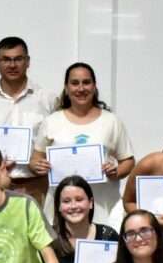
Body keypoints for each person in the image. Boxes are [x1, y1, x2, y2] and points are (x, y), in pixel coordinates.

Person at [30, 62, 135, 226]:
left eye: (86, 82)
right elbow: (35, 159)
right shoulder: (52, 121)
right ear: (66, 88)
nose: (81, 88)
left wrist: (116, 172)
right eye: (74, 83)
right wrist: (38, 166)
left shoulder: (111, 121)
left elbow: (128, 161)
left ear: (94, 86)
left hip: (102, 207)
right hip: (62, 209)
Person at [0, 36, 58, 204]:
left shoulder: (48, 99)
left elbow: (58, 142)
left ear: (28, 61)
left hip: (37, 183)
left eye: (18, 59)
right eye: (6, 60)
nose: (12, 65)